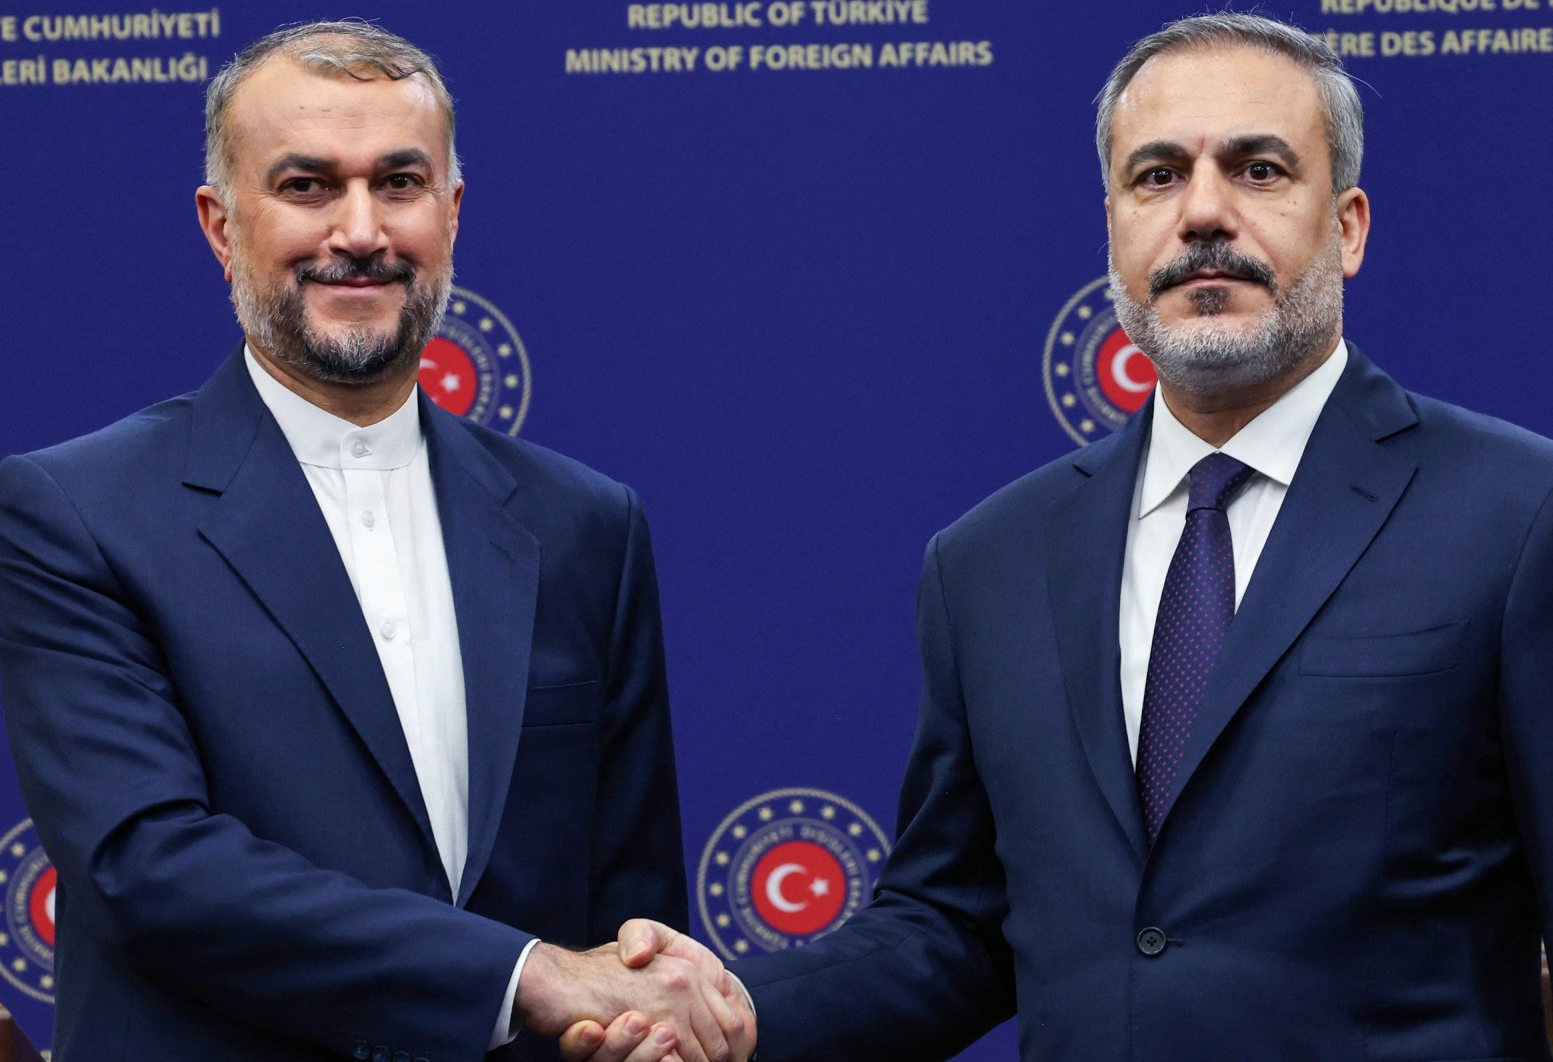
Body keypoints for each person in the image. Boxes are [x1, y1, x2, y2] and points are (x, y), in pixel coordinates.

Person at [566, 12, 1553, 1061]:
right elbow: (955, 927)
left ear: (1348, 226)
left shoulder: (1513, 514)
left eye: (1259, 170)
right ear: (1115, 226)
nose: (1203, 214)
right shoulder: (990, 561)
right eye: (1157, 176)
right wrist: (733, 1021)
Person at [0, 22, 750, 1062]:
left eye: (399, 182)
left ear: (452, 212)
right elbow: (148, 865)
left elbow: (628, 919)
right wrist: (522, 975)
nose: (359, 230)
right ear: (220, 224)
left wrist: (632, 1018)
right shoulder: (78, 510)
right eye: (306, 186)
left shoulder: (584, 524)